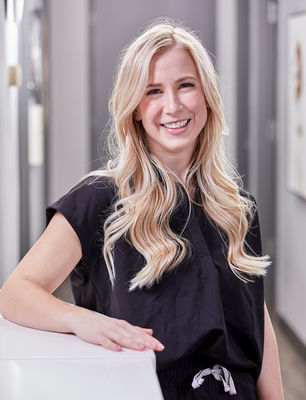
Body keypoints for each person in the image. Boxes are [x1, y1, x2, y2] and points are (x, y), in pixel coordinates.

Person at [0, 21, 283, 399]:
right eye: (153, 91)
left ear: (207, 95)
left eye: (186, 85)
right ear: (134, 109)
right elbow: (15, 293)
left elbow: (256, 321)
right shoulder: (99, 198)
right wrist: (82, 321)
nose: (173, 106)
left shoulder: (236, 206)